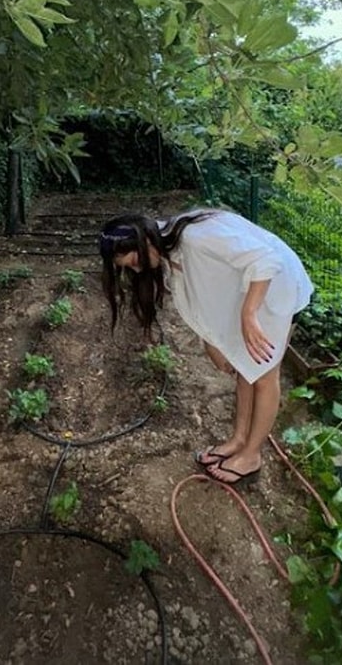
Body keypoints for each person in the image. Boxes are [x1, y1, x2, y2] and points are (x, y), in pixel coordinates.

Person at [99, 208, 313, 487]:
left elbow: (266, 259)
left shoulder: (197, 238)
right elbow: (200, 299)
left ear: (144, 239)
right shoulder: (169, 250)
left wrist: (249, 313)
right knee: (244, 368)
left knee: (264, 375)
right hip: (249, 292)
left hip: (276, 288)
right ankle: (239, 440)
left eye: (135, 260)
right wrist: (211, 342)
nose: (137, 270)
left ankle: (251, 456)